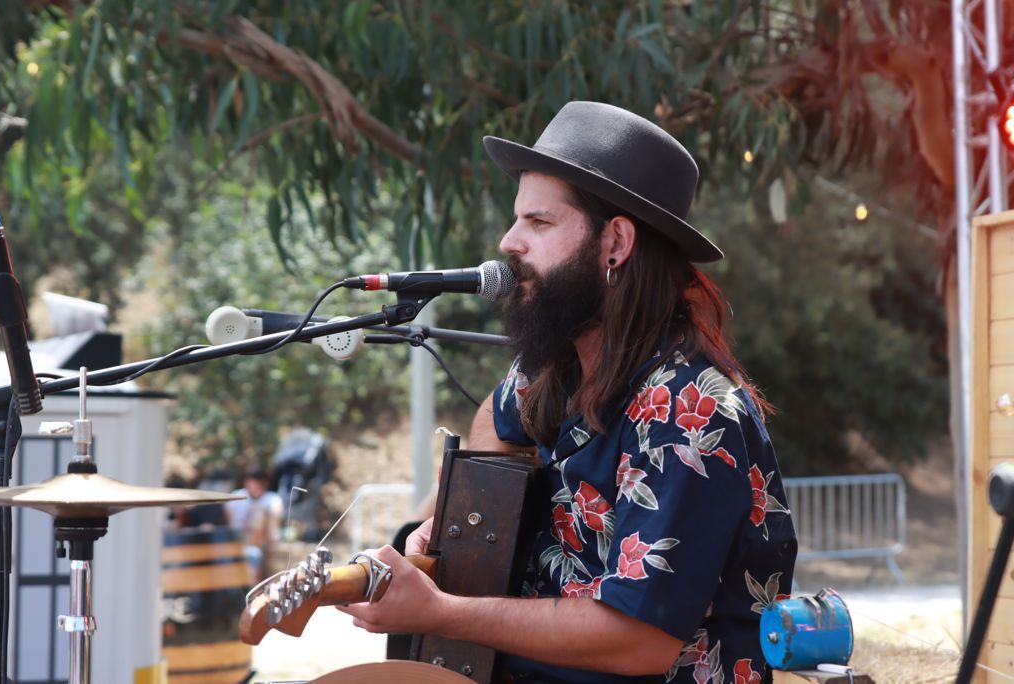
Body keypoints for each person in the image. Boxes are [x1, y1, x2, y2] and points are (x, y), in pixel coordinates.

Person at [339, 101, 797, 683]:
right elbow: (497, 421)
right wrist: (453, 518)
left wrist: (443, 613)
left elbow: (639, 641)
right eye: (516, 221)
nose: (509, 242)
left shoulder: (689, 410)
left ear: (616, 243)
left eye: (539, 222)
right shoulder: (550, 371)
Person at [225, 465, 284, 580]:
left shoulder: (273, 501)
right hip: (237, 543)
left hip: (261, 545)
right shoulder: (236, 497)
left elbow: (271, 529)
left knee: (254, 554)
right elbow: (228, 523)